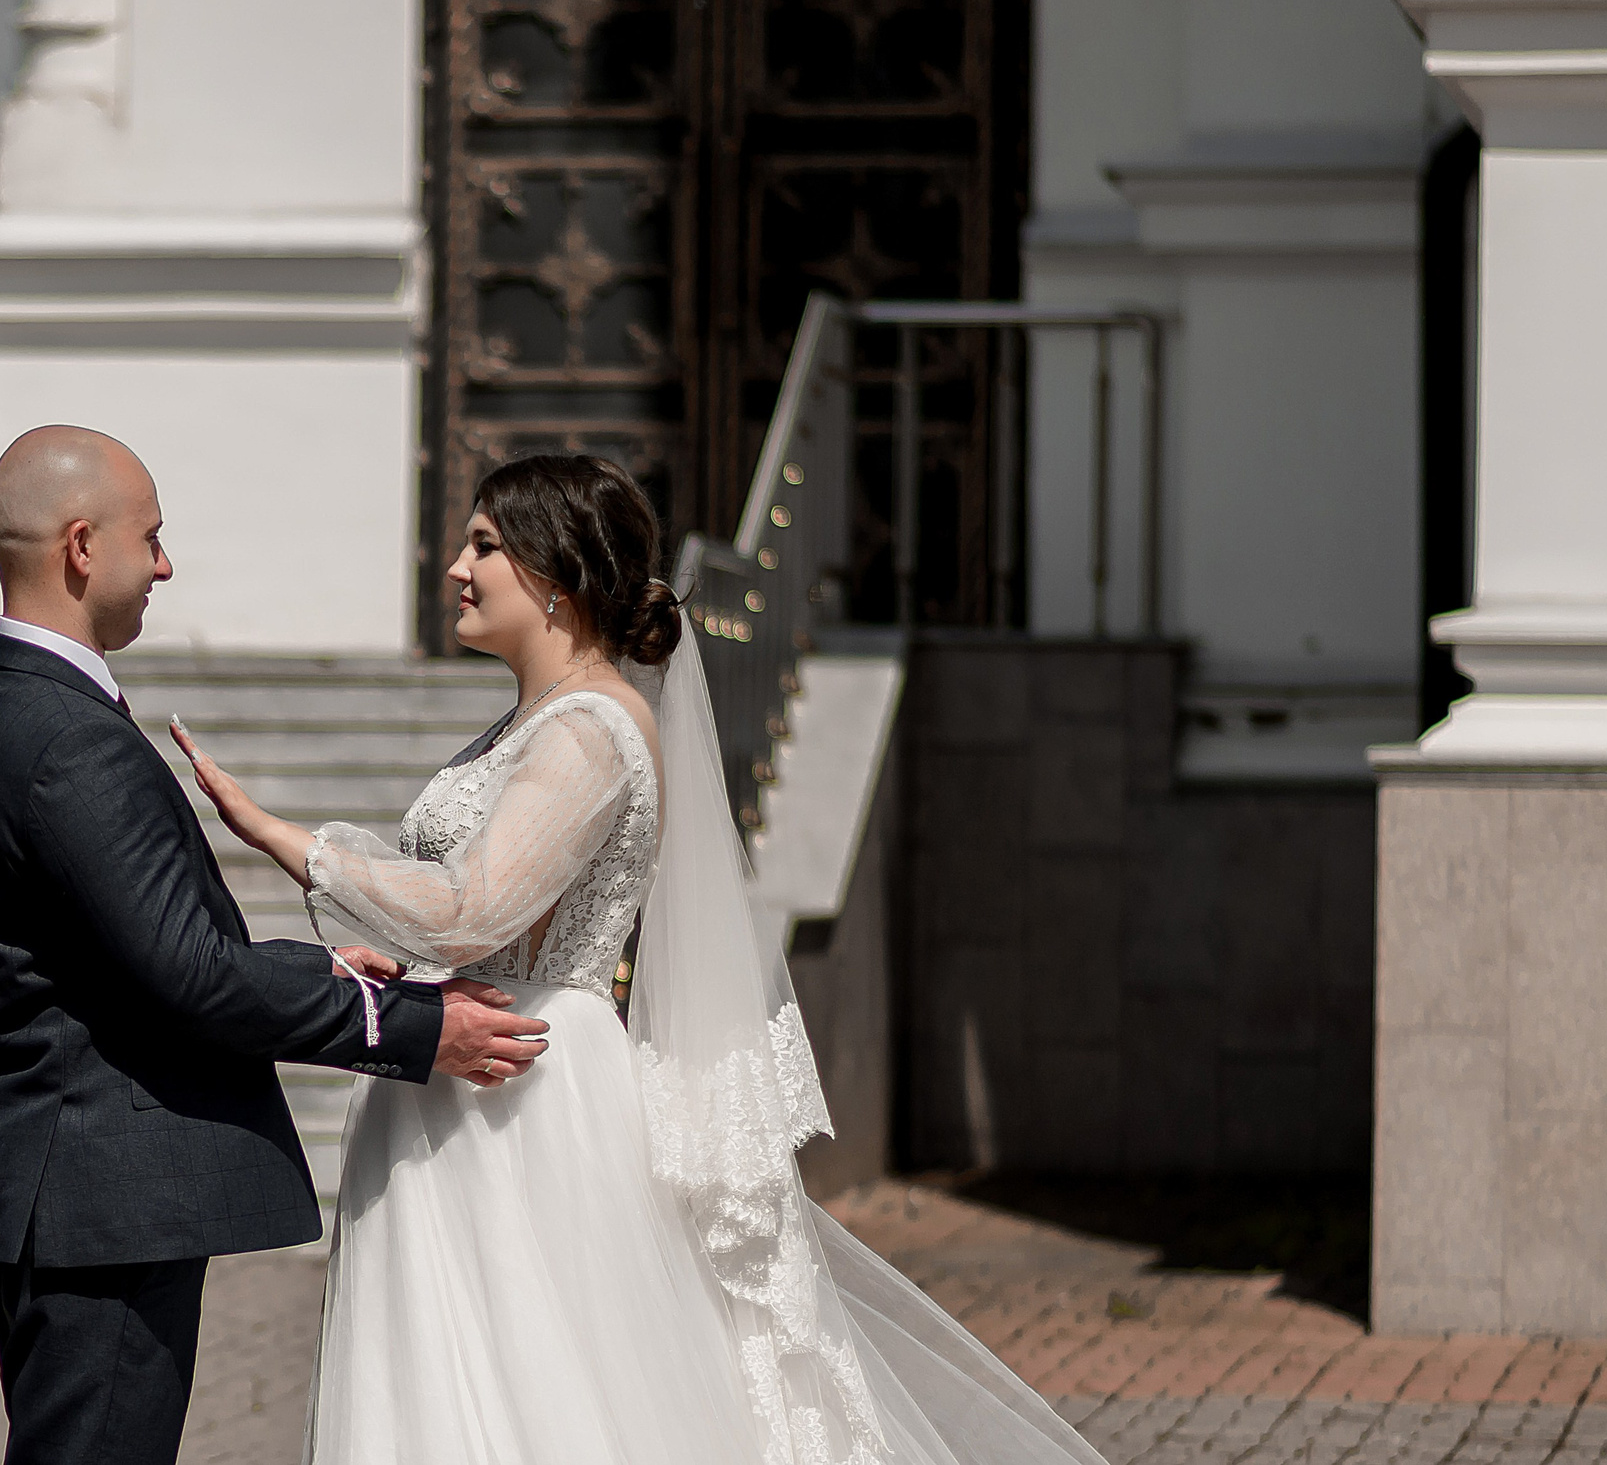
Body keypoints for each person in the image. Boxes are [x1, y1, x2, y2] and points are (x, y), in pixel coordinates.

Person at [173, 452, 1104, 1465]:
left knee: (544, 1379)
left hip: (526, 1088)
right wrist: (377, 950)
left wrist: (282, 834)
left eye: (483, 544)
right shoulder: (526, 723)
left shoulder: (592, 732)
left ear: (558, 572)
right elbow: (472, 913)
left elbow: (472, 903)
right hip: (460, 1063)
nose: (455, 567)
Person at [0, 425, 551, 1465]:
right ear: (82, 548)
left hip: (68, 1182)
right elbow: (191, 976)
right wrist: (410, 1025)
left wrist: (320, 964)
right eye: (151, 537)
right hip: (105, 1196)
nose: (164, 564)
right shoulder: (69, 735)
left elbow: (132, 955)